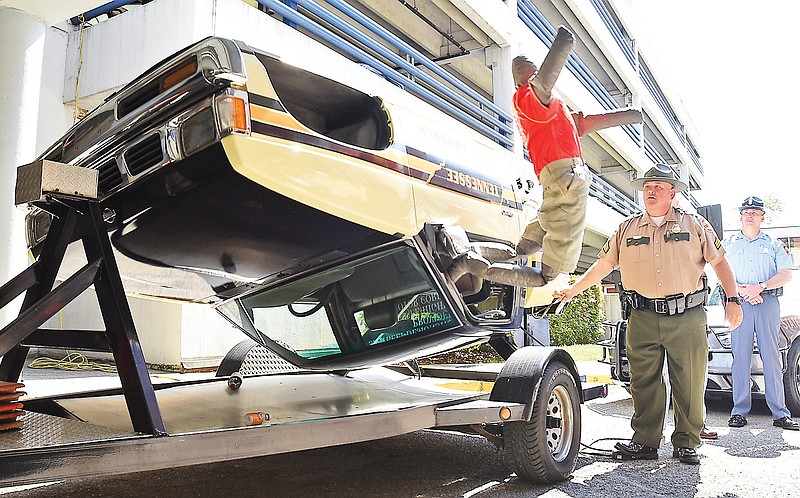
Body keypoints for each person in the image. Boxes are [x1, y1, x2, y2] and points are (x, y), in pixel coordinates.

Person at [553, 164, 743, 465]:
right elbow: (603, 266)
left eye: (658, 186)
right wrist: (572, 290)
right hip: (642, 316)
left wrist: (733, 299)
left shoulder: (695, 225)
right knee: (643, 383)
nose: (651, 191)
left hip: (687, 316)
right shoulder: (626, 228)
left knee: (690, 382)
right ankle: (645, 441)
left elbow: (719, 262)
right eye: (647, 186)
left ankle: (687, 442)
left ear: (672, 192)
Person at [448, 26, 642, 289]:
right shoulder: (529, 98)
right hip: (566, 180)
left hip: (559, 181)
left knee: (522, 248)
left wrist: (630, 115)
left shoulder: (545, 109)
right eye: (532, 72)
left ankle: (471, 253)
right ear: (523, 81)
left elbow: (581, 124)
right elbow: (545, 81)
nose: (537, 75)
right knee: (546, 276)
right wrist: (565, 41)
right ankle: (468, 264)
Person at [723, 196, 798, 431]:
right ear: (740, 216)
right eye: (746, 212)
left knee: (772, 358)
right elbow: (721, 272)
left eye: (754, 212)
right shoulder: (730, 243)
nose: (749, 215)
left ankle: (779, 412)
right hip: (740, 303)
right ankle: (739, 411)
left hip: (767, 303)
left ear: (762, 217)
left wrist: (761, 287)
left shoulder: (774, 243)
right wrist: (745, 291)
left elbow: (786, 273)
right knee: (740, 357)